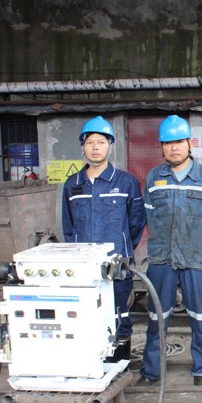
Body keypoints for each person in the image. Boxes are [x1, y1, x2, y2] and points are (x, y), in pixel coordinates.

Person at [139, 115, 202, 386]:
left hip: (195, 259)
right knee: (157, 317)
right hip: (161, 258)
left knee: (200, 316)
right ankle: (152, 371)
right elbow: (150, 216)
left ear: (190, 144)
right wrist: (168, 241)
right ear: (161, 147)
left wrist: (195, 241)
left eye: (179, 142)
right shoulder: (154, 177)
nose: (174, 147)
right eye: (168, 143)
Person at [62, 116, 146, 362]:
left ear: (110, 145)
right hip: (84, 267)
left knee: (120, 315)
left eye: (101, 142)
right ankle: (92, 363)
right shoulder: (72, 185)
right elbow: (69, 227)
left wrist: (124, 248)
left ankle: (120, 364)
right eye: (90, 142)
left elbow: (136, 223)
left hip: (117, 265)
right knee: (86, 314)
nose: (95, 147)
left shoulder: (127, 182)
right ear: (83, 147)